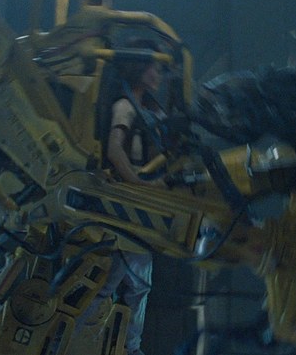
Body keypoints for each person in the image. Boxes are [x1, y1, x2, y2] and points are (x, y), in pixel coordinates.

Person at [81, 41, 168, 355]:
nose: (157, 74)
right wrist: (137, 183)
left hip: (142, 209)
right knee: (110, 282)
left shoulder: (150, 109)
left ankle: (129, 347)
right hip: (125, 207)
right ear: (138, 68)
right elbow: (115, 149)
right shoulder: (125, 107)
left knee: (136, 284)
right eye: (153, 67)